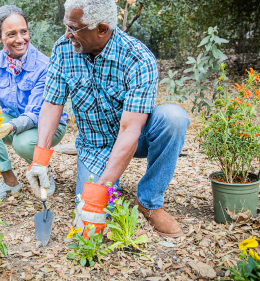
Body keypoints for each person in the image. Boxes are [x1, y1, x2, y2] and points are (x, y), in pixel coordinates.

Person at [26, 0, 190, 238]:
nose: (67, 33)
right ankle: (107, 185)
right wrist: (40, 158)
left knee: (173, 118)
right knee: (90, 224)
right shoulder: (63, 49)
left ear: (102, 29)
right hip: (95, 144)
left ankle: (149, 201)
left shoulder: (138, 58)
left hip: (136, 137)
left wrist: (100, 190)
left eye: (74, 28)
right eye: (66, 25)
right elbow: (52, 103)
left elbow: (130, 130)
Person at [0, 5, 67, 202]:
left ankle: (42, 169)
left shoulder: (43, 65)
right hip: (14, 120)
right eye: (11, 34)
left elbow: (36, 113)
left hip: (47, 125)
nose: (20, 39)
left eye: (23, 31)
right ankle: (9, 182)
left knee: (22, 142)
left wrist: (10, 127)